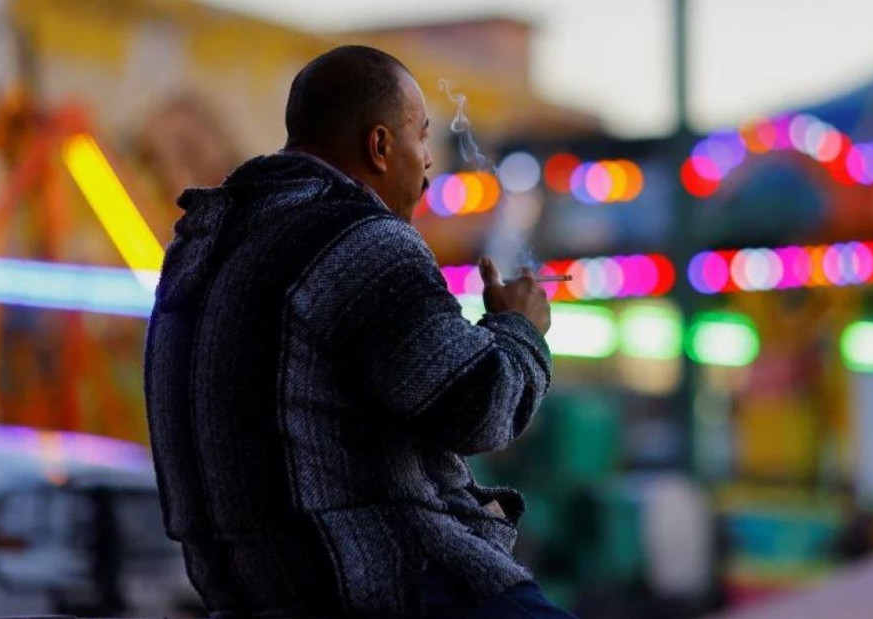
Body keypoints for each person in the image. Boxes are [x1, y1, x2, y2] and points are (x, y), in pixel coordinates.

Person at [144, 45, 574, 618]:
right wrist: (519, 327)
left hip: (248, 592)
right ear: (379, 146)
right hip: (387, 581)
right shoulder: (361, 239)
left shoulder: (200, 245)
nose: (428, 165)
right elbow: (478, 406)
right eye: (421, 138)